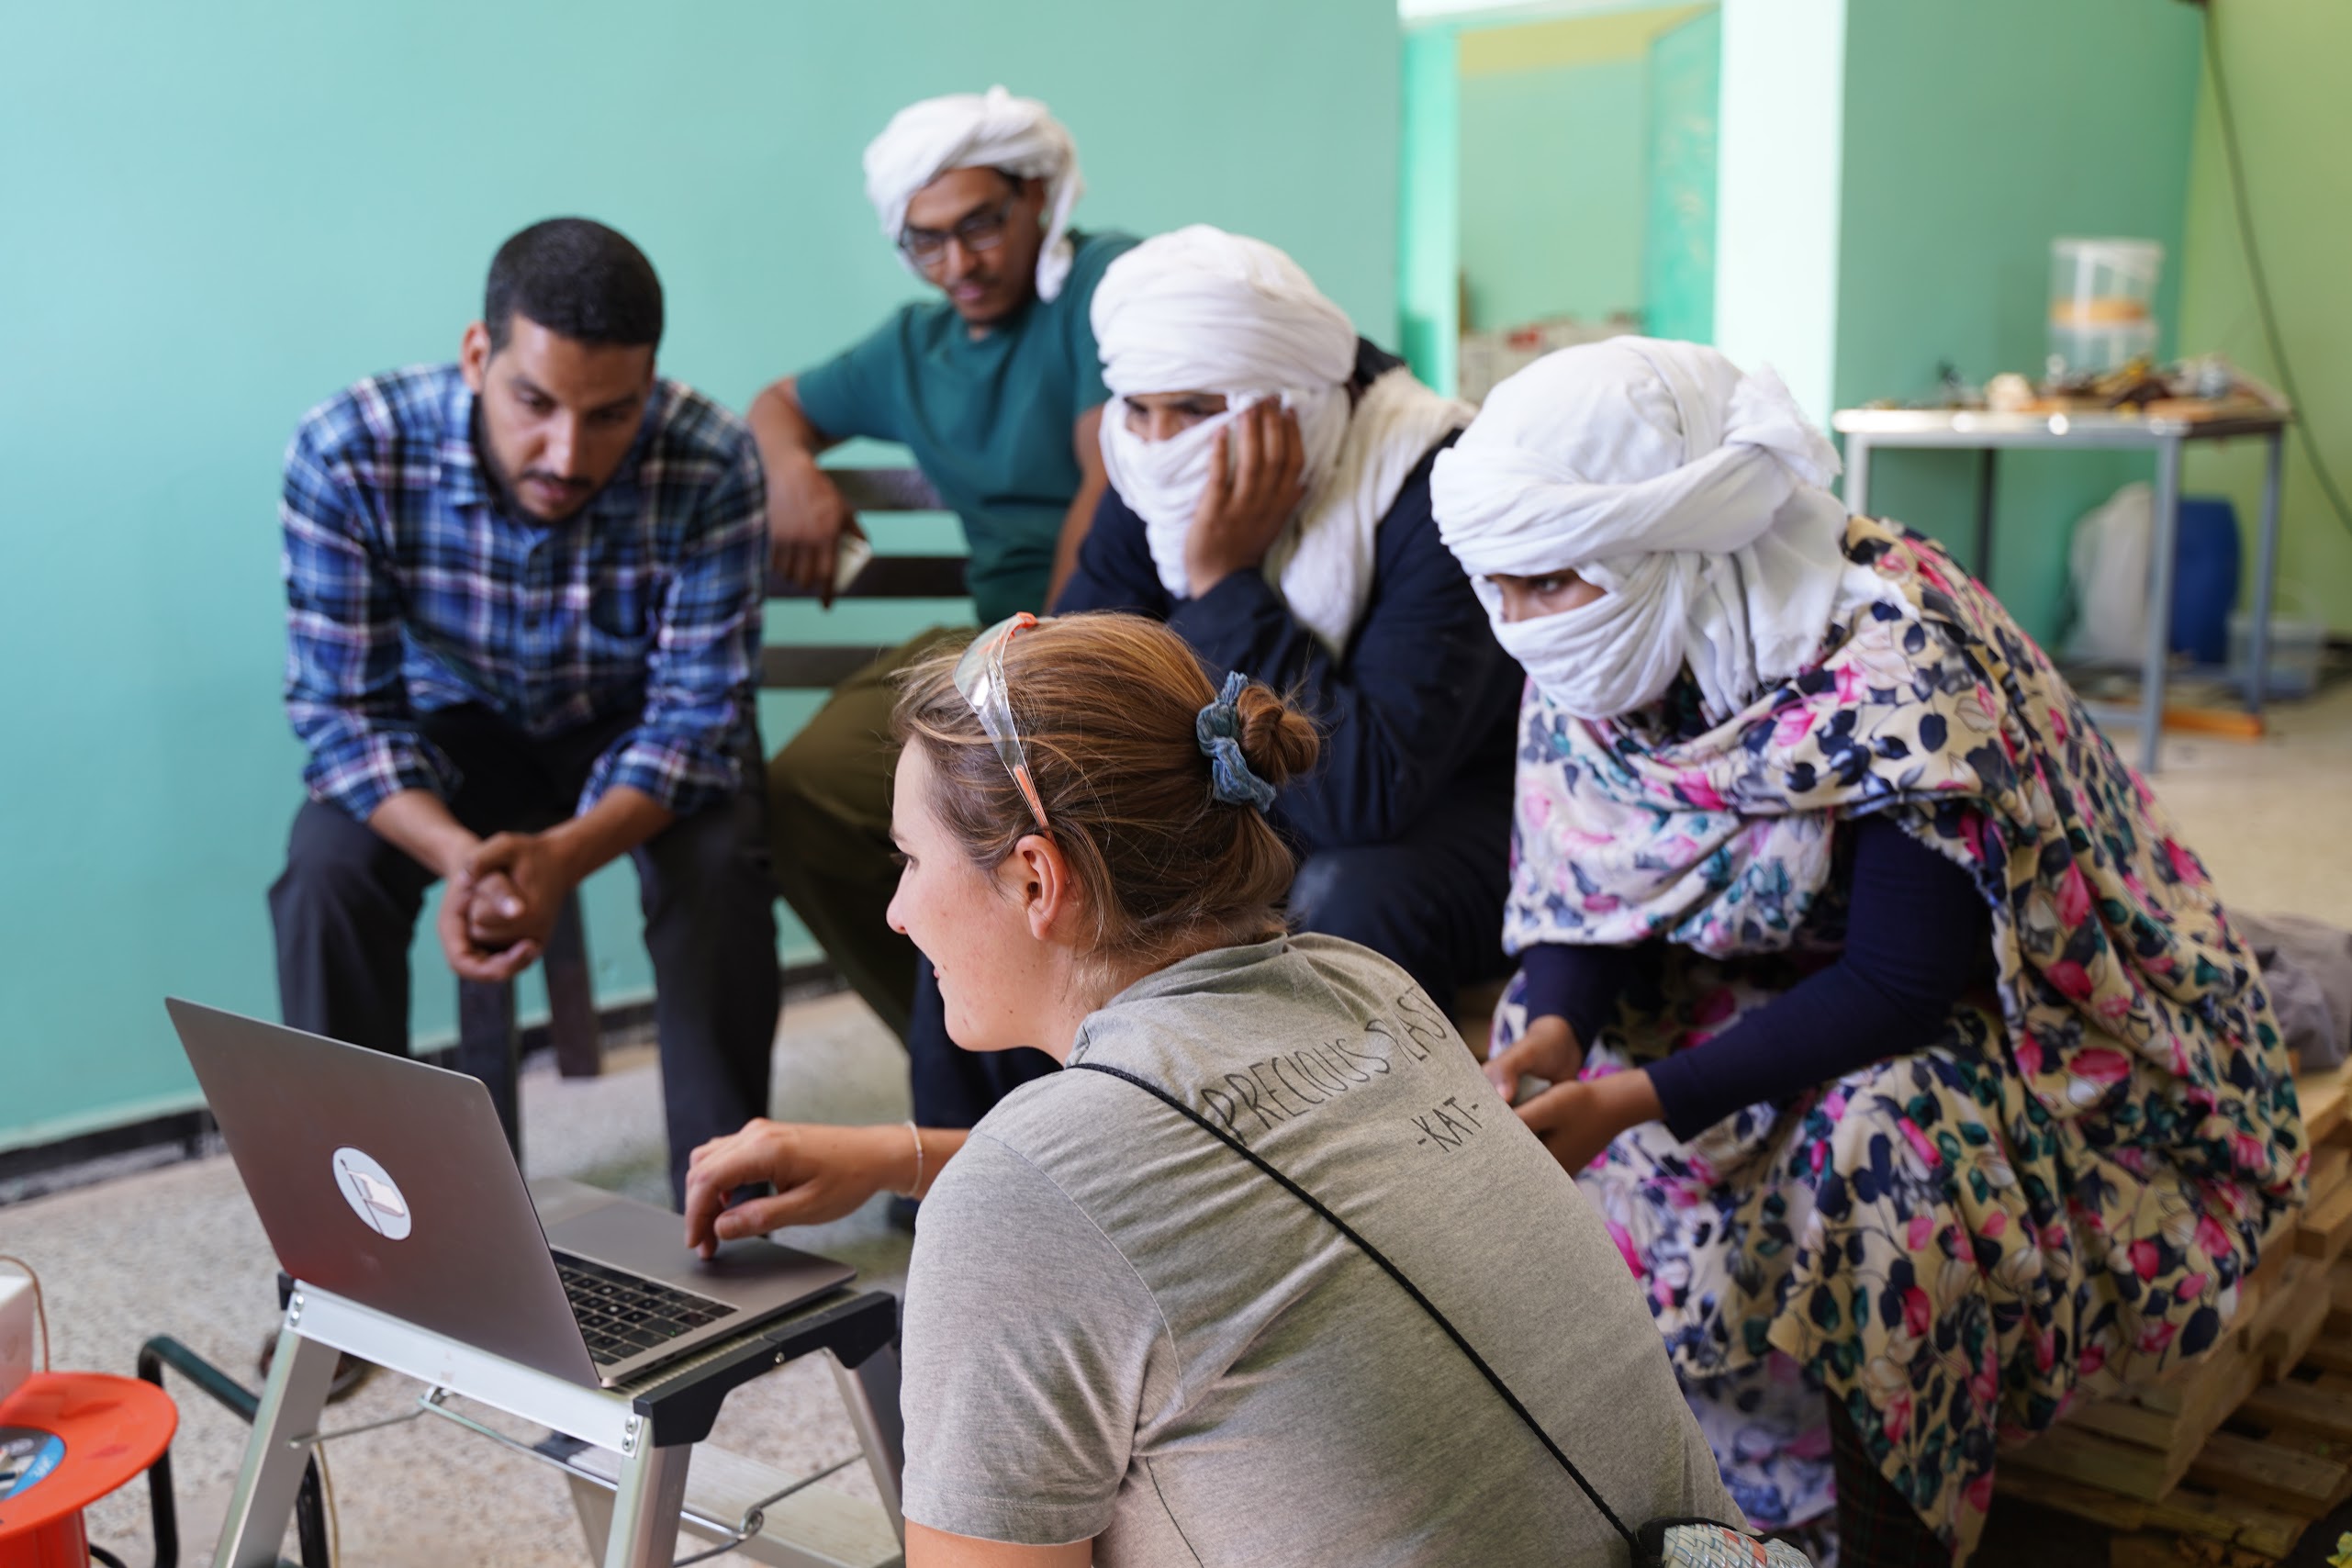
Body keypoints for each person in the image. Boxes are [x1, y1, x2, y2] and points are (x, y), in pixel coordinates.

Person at [1431, 337, 2302, 1562]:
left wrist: (1633, 1100)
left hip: (1988, 1005)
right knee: (1530, 1060)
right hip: (1749, 969)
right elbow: (1594, 889)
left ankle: (1886, 1524)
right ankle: (1670, 1482)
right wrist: (1563, 1035)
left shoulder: (1893, 655)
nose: (1518, 624)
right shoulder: (1598, 638)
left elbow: (1902, 982)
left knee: (1884, 1152)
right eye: (1496, 588)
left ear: (1677, 545)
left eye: (1548, 583)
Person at [683, 612, 1738, 1566]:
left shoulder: (1019, 1202)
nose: (896, 912)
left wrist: (970, 1189)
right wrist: (903, 1156)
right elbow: (1190, 1200)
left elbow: (1098, 1212)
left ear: (1037, 879)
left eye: (911, 860)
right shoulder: (1366, 989)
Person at [270, 218, 778, 1204]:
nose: (566, 453)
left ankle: (727, 1210)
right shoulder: (348, 450)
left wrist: (561, 858)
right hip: (451, 730)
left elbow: (698, 722)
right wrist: (465, 860)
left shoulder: (713, 461)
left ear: (650, 386)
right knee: (325, 873)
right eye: (534, 403)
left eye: (611, 415)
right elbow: (341, 716)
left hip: (634, 729)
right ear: (478, 356)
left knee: (722, 862)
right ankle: (357, 1229)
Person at [754, 86, 1137, 1057]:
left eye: (980, 225)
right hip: (985, 643)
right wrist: (792, 472)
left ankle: (1075, 1049)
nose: (958, 264)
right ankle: (975, 1051)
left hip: (1111, 636)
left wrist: (1042, 677)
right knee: (802, 790)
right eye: (926, 241)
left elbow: (1104, 480)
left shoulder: (1098, 285)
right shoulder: (912, 349)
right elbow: (777, 406)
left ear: (1037, 198)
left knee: (1040, 815)